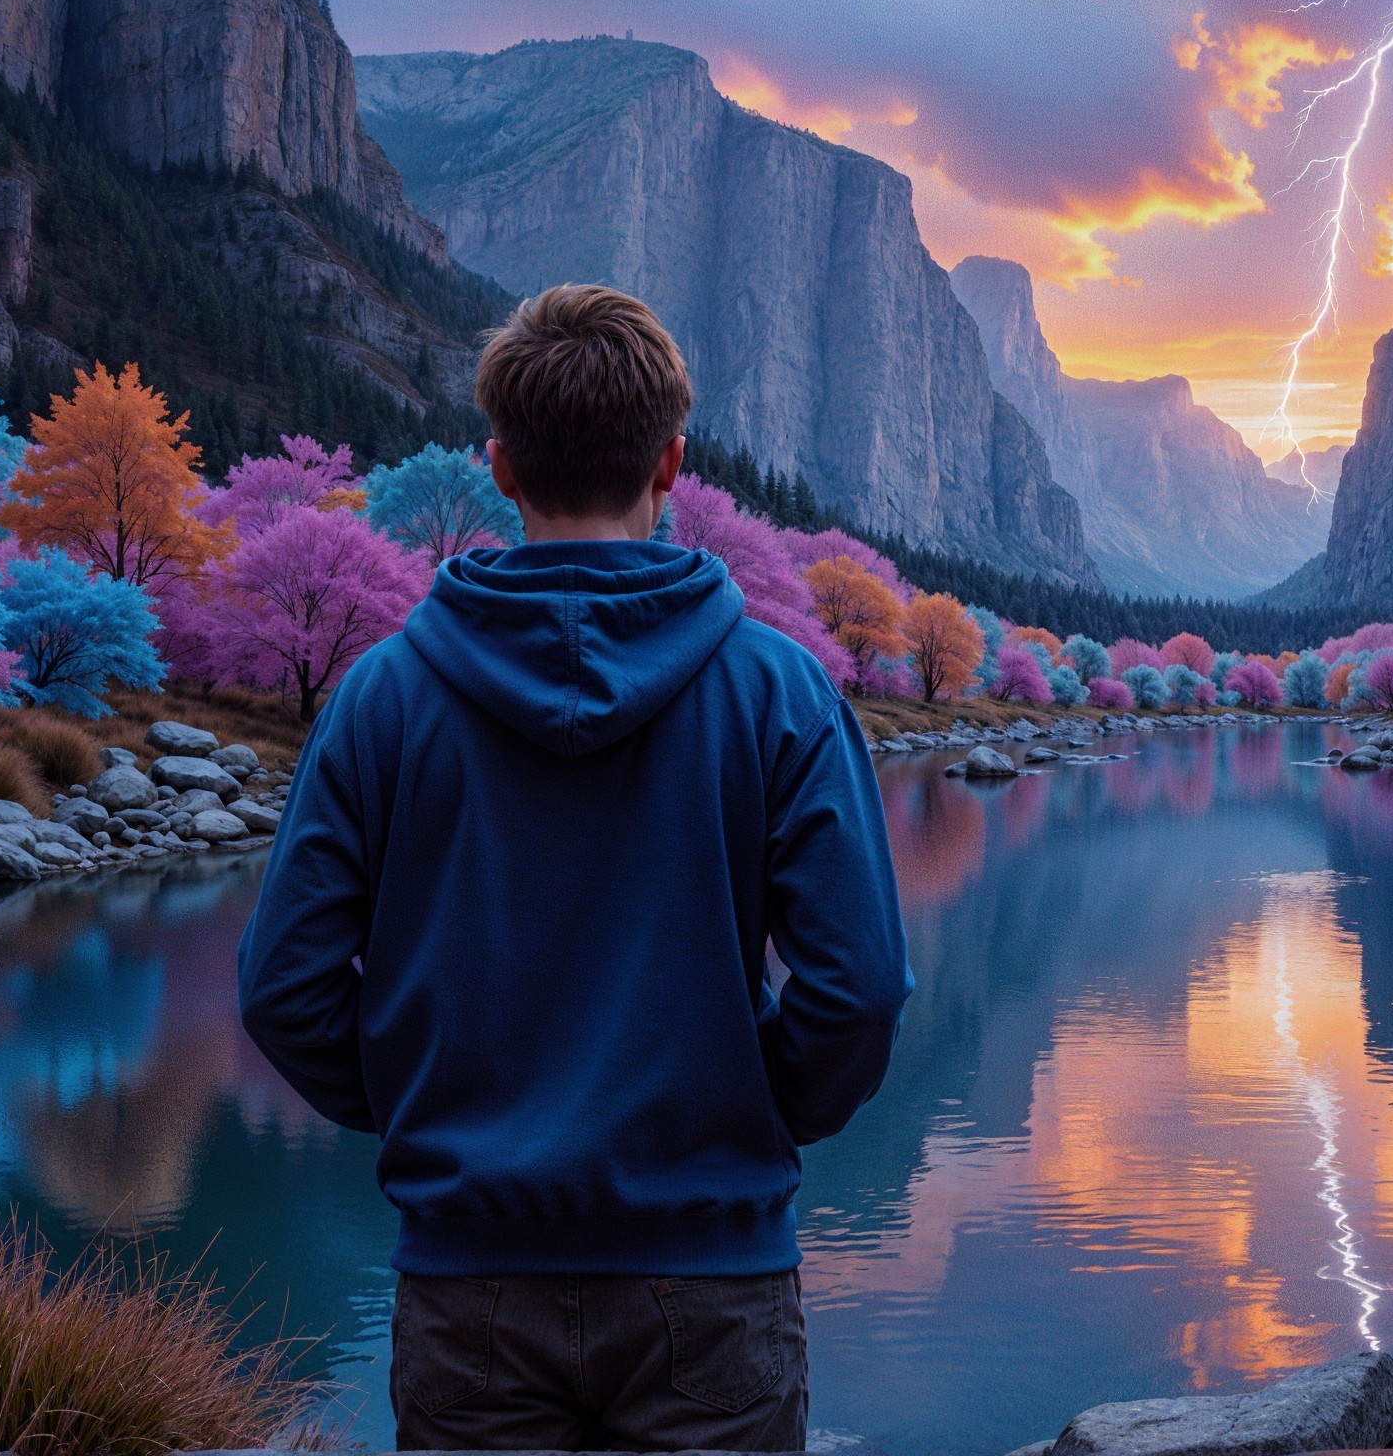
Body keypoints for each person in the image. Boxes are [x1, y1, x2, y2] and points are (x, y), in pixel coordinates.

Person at [238, 284, 912, 1453]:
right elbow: (857, 986)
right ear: (672, 461)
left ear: (499, 466)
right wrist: (757, 1109)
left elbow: (282, 988)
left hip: (469, 1285)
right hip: (713, 1284)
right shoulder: (779, 690)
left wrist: (424, 1102)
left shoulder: (381, 697)